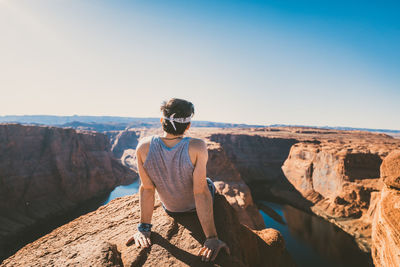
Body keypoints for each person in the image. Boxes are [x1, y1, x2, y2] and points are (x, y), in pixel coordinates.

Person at [125, 98, 230, 262]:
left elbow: (147, 189)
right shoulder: (197, 146)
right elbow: (200, 191)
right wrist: (211, 237)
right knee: (208, 183)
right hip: (194, 208)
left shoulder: (143, 147)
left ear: (162, 121)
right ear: (188, 125)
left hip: (171, 209)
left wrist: (144, 228)